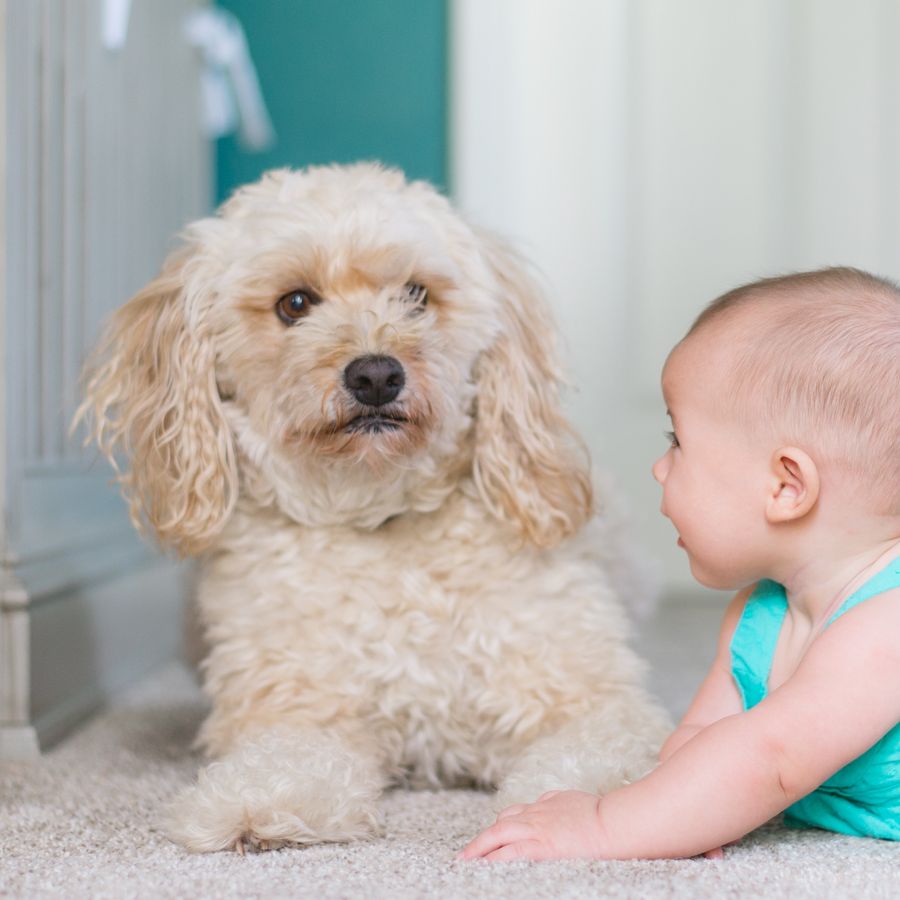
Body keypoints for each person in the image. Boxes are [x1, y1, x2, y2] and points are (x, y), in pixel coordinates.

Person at [460, 266, 900, 861]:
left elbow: (772, 760)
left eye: (677, 442)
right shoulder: (759, 612)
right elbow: (700, 741)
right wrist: (679, 814)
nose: (659, 468)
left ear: (786, 486)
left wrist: (605, 826)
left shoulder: (884, 625)